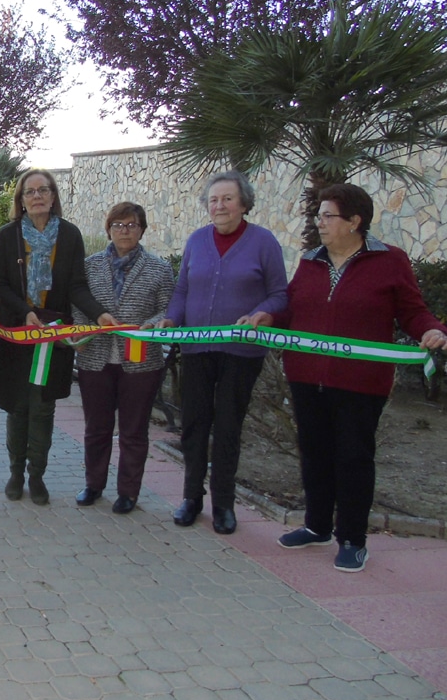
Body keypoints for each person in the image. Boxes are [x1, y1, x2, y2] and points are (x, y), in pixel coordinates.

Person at [245, 184, 447, 572]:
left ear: (354, 221)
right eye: (318, 215)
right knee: (315, 453)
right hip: (306, 376)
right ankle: (317, 526)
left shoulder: (390, 261)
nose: (319, 222)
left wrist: (432, 330)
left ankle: (353, 539)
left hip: (361, 382)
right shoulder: (311, 260)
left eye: (327, 216)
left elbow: (412, 310)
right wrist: (268, 317)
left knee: (354, 458)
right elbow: (293, 308)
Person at [160, 170, 288, 534]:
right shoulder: (197, 240)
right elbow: (183, 289)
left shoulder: (263, 242)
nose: (219, 206)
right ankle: (191, 497)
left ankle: (224, 504)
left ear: (244, 203)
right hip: (196, 349)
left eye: (228, 199)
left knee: (228, 426)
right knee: (194, 424)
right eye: (213, 200)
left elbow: (279, 293)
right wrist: (172, 318)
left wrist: (263, 312)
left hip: (240, 352)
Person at [0, 170, 116, 505]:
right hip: (17, 332)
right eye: (29, 191)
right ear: (21, 199)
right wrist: (23, 312)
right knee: (18, 406)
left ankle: (37, 476)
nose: (37, 196)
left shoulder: (69, 235)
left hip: (54, 333)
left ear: (53, 196)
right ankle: (16, 473)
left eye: (43, 190)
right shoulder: (8, 235)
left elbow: (76, 286)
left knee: (43, 408)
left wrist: (99, 313)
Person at [73, 202, 175, 514]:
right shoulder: (89, 266)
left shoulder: (159, 268)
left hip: (141, 362)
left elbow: (167, 308)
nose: (124, 231)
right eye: (118, 225)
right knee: (96, 428)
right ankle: (93, 484)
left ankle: (128, 492)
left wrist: (151, 326)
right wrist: (81, 332)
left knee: (133, 431)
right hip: (96, 358)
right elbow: (79, 303)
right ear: (109, 230)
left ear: (142, 230)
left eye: (131, 225)